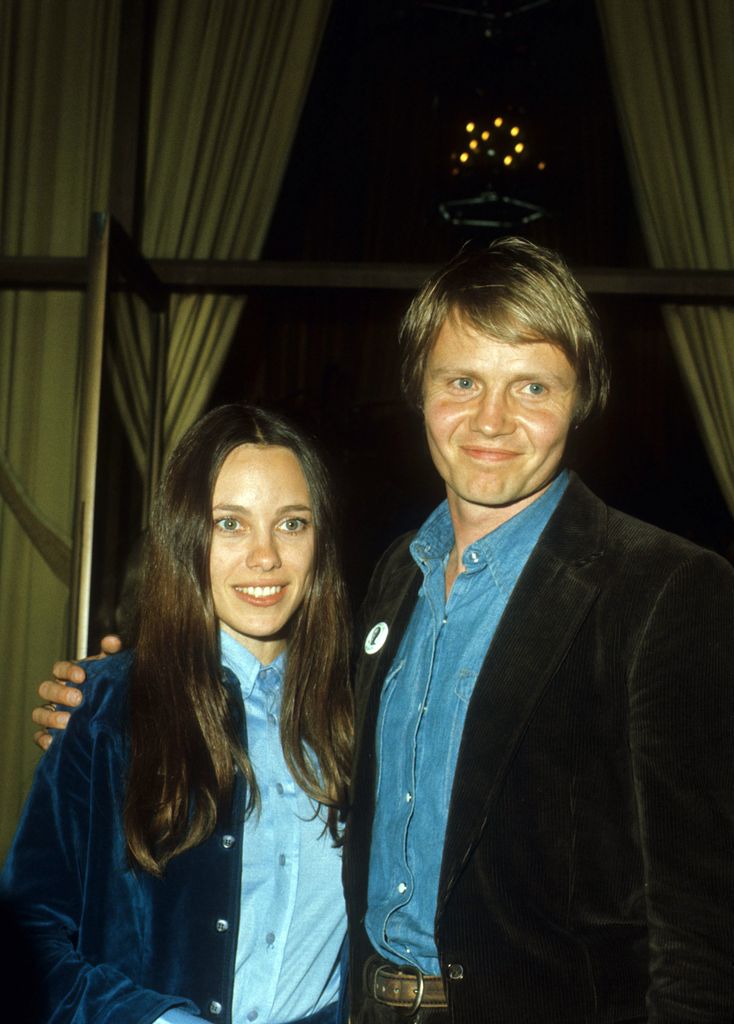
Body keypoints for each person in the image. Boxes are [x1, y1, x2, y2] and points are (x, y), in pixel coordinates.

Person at [34, 239, 734, 1022]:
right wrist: (126, 695)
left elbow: (702, 930)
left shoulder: (666, 588)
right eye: (462, 381)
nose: (491, 420)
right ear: (420, 391)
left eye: (532, 386)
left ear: (582, 398)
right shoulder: (396, 577)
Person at [4, 403, 352, 1024]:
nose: (265, 556)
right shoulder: (107, 707)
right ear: (187, 535)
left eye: (292, 524)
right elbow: (28, 937)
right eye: (230, 524)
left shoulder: (361, 715)